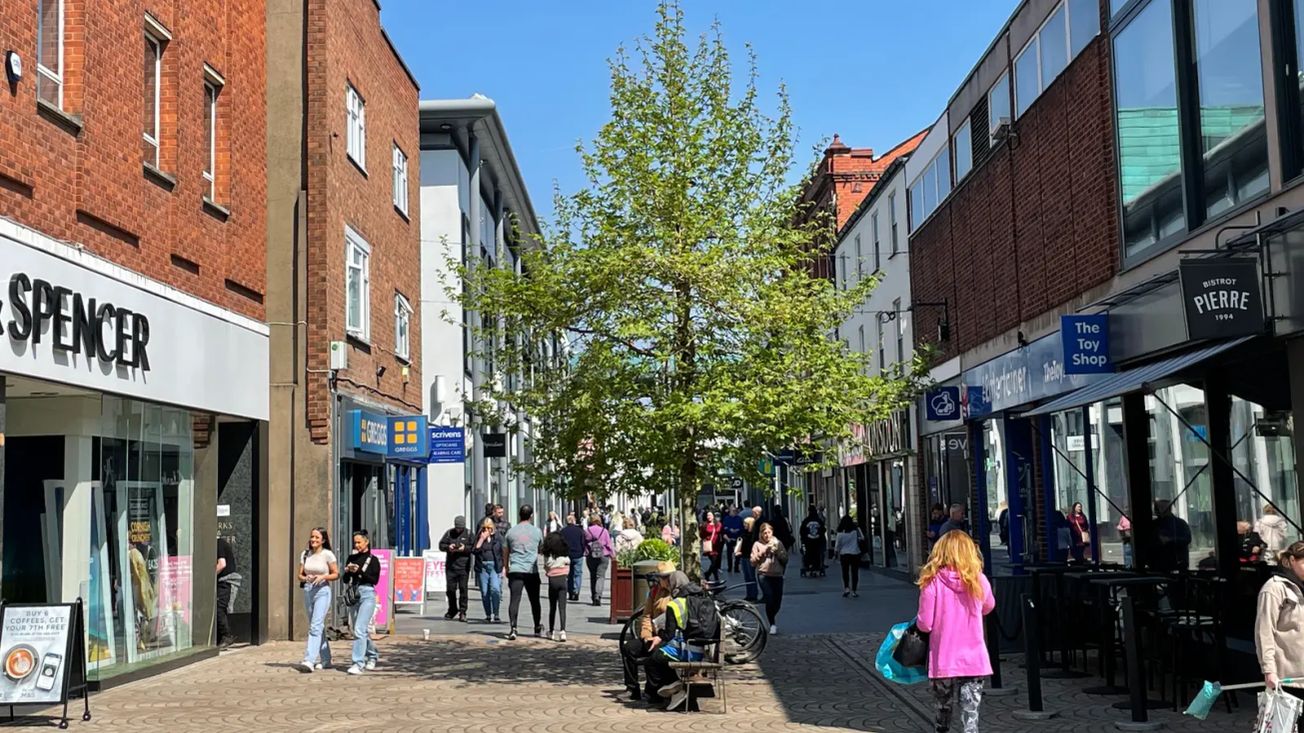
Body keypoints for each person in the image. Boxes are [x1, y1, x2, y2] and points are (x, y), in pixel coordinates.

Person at [916, 530, 996, 733]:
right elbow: (989, 606)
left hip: (943, 659)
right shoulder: (978, 579)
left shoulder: (932, 582)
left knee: (943, 713)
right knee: (971, 718)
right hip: (973, 660)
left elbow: (925, 624)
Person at [641, 568, 714, 711]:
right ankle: (674, 688)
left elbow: (668, 636)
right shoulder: (701, 599)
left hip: (685, 650)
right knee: (658, 656)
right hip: (700, 649)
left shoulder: (675, 604)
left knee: (652, 659)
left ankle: (672, 690)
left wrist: (658, 635)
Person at [1256, 541, 1304, 699]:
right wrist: (1269, 670)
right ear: (1291, 561)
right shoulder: (1274, 588)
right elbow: (1264, 631)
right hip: (1289, 678)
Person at [296, 527, 337, 673]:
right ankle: (326, 659)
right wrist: (305, 578)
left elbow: (336, 574)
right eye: (312, 537)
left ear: (323, 540)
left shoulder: (328, 555)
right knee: (317, 626)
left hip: (322, 591)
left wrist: (323, 577)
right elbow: (299, 575)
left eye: (317, 538)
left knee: (315, 625)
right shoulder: (305, 554)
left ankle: (309, 660)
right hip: (308, 590)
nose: (313, 540)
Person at [342, 530, 381, 675]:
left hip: (367, 594)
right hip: (354, 594)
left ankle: (358, 663)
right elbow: (345, 580)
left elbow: (374, 580)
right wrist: (347, 571)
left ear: (366, 542)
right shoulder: (351, 558)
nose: (356, 545)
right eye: (355, 542)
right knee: (359, 630)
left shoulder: (373, 559)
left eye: (359, 542)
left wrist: (359, 571)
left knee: (359, 629)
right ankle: (372, 654)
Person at [503, 504, 544, 640]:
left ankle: (513, 627)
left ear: (519, 515)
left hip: (515, 569)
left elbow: (505, 550)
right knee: (535, 600)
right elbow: (541, 548)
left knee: (514, 599)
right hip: (531, 570)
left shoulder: (511, 531)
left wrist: (506, 566)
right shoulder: (537, 531)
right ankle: (537, 626)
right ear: (531, 515)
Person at [750, 522, 789, 635]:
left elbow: (785, 559)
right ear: (761, 534)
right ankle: (772, 623)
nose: (767, 535)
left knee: (777, 601)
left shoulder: (778, 543)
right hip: (764, 575)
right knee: (769, 598)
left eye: (769, 532)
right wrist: (763, 552)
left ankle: (772, 615)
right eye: (764, 533)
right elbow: (752, 562)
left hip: (777, 575)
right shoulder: (757, 544)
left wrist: (777, 553)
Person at [438, 516, 473, 621]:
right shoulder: (449, 533)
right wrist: (448, 547)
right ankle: (452, 609)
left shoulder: (469, 534)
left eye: (460, 528)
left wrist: (464, 549)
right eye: (457, 528)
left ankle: (463, 612)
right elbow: (441, 545)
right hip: (451, 567)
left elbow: (474, 547)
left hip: (464, 566)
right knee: (450, 590)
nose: (458, 530)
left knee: (463, 589)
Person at [473, 517, 503, 622]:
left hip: (494, 566)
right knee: (485, 592)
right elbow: (475, 551)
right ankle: (488, 614)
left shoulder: (497, 537)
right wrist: (481, 539)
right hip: (482, 566)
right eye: (485, 528)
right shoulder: (479, 536)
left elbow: (502, 552)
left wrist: (503, 567)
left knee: (495, 589)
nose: (487, 530)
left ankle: (496, 613)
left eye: (489, 528)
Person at [542, 531, 570, 641]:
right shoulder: (564, 556)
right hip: (563, 580)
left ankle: (551, 631)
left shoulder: (548, 556)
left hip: (552, 581)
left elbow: (546, 566)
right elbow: (568, 562)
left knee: (552, 607)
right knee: (562, 608)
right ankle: (563, 631)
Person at [1152, 500, 1192, 571]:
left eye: (1158, 508)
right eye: (1156, 508)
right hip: (1158, 564)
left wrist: (1170, 540)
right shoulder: (1154, 524)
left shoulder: (1180, 523)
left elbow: (1187, 539)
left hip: (1178, 563)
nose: (1156, 511)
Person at [585, 514, 615, 606]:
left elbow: (584, 543)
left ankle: (594, 596)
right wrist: (612, 555)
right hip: (603, 555)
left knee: (593, 576)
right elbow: (609, 544)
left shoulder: (587, 531)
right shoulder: (604, 531)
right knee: (600, 576)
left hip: (591, 555)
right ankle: (598, 596)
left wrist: (585, 552)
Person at [215, 535, 238, 649]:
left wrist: (210, 576)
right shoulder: (220, 544)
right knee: (220, 607)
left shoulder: (219, 543)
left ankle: (226, 635)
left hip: (225, 580)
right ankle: (222, 637)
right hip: (223, 580)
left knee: (219, 607)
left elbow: (221, 564)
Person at [834, 515, 865, 598]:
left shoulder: (840, 533)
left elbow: (837, 545)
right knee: (855, 572)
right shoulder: (856, 530)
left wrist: (835, 554)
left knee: (845, 572)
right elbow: (862, 538)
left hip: (844, 554)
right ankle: (854, 591)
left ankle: (846, 588)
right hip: (855, 553)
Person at [738, 506, 764, 602]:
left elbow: (752, 543)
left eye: (745, 524)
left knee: (751, 575)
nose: (744, 525)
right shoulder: (745, 533)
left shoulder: (752, 533)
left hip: (749, 555)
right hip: (744, 555)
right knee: (747, 576)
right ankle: (749, 594)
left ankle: (753, 594)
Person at [561, 513, 587, 601]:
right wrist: (582, 551)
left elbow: (561, 544)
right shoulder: (579, 531)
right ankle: (576, 591)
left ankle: (570, 592)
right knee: (578, 574)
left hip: (567, 555)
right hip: (578, 554)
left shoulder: (563, 531)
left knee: (569, 574)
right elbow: (583, 542)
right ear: (574, 521)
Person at [800, 505, 827, 576]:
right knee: (817, 554)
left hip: (808, 542)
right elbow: (823, 530)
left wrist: (803, 539)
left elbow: (802, 531)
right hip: (818, 542)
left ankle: (808, 566)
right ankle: (817, 567)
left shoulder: (806, 521)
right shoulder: (819, 520)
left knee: (808, 554)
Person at [700, 511, 725, 582]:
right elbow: (701, 535)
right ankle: (712, 576)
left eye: (710, 515)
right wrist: (704, 539)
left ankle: (709, 575)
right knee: (714, 562)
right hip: (709, 546)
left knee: (715, 563)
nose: (709, 517)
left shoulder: (718, 524)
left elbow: (722, 532)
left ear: (713, 516)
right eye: (708, 515)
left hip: (717, 545)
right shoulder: (704, 525)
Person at [722, 506, 744, 573]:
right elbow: (724, 528)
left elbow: (742, 528)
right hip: (729, 538)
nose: (734, 512)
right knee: (729, 554)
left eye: (735, 511)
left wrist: (738, 530)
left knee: (738, 554)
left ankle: (736, 568)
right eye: (733, 511)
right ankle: (730, 567)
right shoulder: (726, 518)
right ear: (730, 511)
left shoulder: (739, 518)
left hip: (737, 538)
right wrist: (729, 530)